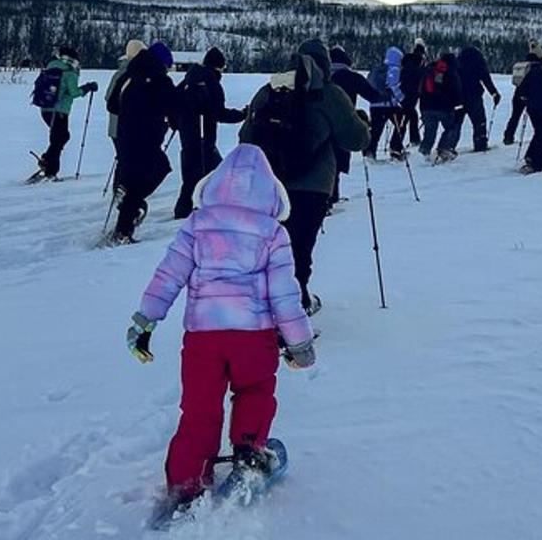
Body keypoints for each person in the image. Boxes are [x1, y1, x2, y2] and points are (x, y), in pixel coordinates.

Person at [125, 144, 316, 511]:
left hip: (203, 339)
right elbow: (284, 294)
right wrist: (299, 342)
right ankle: (248, 454)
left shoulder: (197, 225)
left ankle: (186, 480)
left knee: (199, 407)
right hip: (253, 338)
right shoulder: (272, 233)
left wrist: (145, 319)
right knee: (256, 390)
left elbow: (169, 275)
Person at [240, 39, 369, 314]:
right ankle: (294, 308)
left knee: (270, 246)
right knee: (299, 247)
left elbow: (245, 139)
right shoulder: (329, 93)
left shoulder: (267, 92)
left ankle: (266, 304)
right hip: (313, 186)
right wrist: (361, 123)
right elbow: (356, 139)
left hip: (268, 185)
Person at [108, 41, 178, 244]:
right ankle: (123, 231)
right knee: (156, 171)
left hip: (124, 135)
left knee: (135, 178)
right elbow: (173, 108)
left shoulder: (128, 75)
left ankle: (127, 207)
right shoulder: (160, 80)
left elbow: (113, 105)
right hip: (147, 138)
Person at [173, 46, 246, 220]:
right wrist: (243, 114)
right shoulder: (212, 83)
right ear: (218, 66)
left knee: (191, 175)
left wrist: (176, 123)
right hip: (205, 135)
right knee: (216, 172)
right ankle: (210, 208)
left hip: (188, 135)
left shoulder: (188, 80)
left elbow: (174, 103)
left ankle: (183, 210)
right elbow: (218, 113)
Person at [328, 45, 384, 205]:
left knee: (323, 159)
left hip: (319, 122)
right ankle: (332, 197)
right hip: (344, 123)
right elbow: (372, 96)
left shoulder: (319, 76)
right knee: (337, 160)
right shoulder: (351, 77)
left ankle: (327, 196)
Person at [36, 46, 98, 179]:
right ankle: (50, 169)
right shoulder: (70, 70)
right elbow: (73, 92)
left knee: (60, 137)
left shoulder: (51, 66)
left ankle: (47, 161)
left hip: (45, 109)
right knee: (59, 138)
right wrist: (87, 88)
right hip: (59, 111)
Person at [105, 39, 147, 196]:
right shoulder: (134, 73)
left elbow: (108, 97)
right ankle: (122, 189)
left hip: (114, 126)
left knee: (123, 158)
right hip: (126, 126)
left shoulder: (118, 73)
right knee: (127, 160)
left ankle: (119, 188)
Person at [417, 50, 464, 164]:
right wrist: (459, 105)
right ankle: (444, 149)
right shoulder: (451, 72)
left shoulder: (429, 70)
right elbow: (456, 91)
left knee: (430, 130)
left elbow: (421, 89)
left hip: (426, 107)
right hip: (444, 108)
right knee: (451, 127)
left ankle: (424, 152)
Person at [364, 47, 408, 162]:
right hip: (388, 104)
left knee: (376, 129)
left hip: (374, 104)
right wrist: (402, 100)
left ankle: (370, 152)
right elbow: (393, 86)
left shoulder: (376, 69)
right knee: (401, 124)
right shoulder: (394, 69)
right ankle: (395, 149)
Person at [457, 45, 501, 152]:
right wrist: (494, 93)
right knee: (479, 121)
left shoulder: (458, 61)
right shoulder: (478, 61)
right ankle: (480, 143)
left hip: (459, 97)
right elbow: (486, 78)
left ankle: (448, 145)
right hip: (474, 95)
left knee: (456, 123)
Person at [503, 40, 542, 146]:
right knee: (536, 117)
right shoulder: (538, 67)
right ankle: (541, 134)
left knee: (515, 116)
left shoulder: (523, 65)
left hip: (518, 94)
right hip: (532, 96)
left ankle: (508, 136)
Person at [399, 39, 428, 147]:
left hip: (402, 94)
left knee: (408, 117)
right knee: (408, 117)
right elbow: (420, 78)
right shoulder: (418, 65)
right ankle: (404, 142)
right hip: (411, 95)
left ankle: (410, 140)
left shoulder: (406, 63)